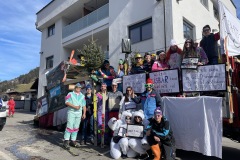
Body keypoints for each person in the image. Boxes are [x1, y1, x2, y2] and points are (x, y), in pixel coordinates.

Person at [63, 83, 86, 149]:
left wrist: (84, 113)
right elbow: (66, 102)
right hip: (71, 112)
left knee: (76, 127)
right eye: (77, 87)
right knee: (69, 126)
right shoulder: (70, 94)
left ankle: (73, 140)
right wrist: (74, 107)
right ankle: (66, 140)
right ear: (75, 88)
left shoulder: (82, 96)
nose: (79, 89)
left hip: (79, 114)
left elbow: (84, 105)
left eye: (80, 87)